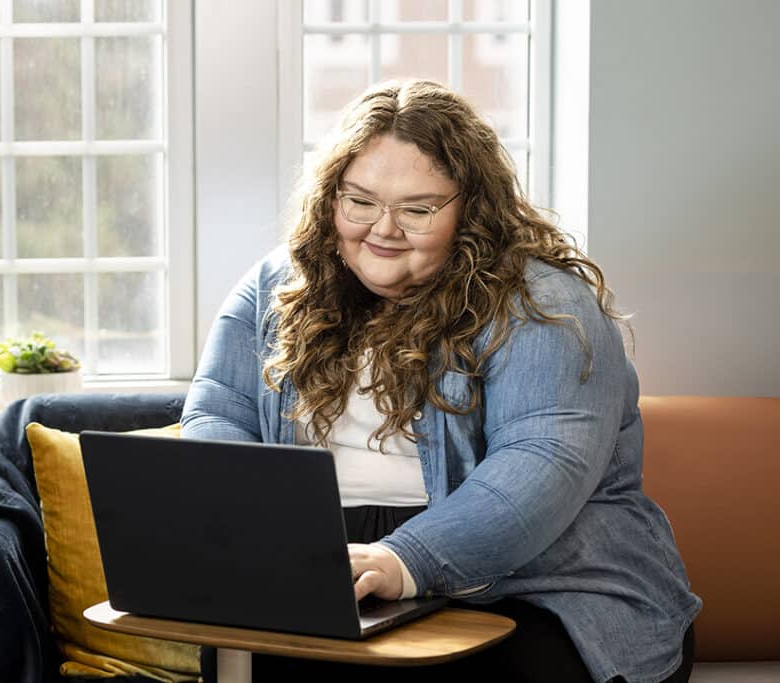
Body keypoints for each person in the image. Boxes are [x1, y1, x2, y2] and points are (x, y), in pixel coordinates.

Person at [181, 79, 701, 683]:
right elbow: (219, 413)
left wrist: (405, 558)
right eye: (360, 201)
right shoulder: (276, 285)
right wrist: (260, 535)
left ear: (471, 210)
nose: (383, 228)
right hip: (325, 572)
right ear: (331, 197)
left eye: (418, 209)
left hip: (539, 586)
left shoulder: (546, 305)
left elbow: (542, 462)